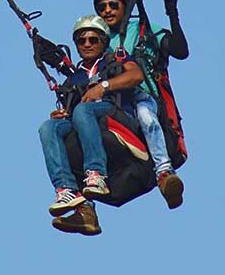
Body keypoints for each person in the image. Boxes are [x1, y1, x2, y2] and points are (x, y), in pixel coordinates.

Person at [38, 15, 145, 235]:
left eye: (93, 39)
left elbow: (136, 75)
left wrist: (103, 86)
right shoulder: (74, 79)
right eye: (82, 40)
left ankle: (96, 173)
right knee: (48, 127)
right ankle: (67, 188)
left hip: (115, 114)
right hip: (84, 118)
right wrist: (62, 114)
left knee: (83, 110)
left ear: (104, 42)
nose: (87, 44)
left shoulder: (116, 60)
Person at [93, 0, 190, 209]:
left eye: (113, 5)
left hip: (141, 95)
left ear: (125, 6)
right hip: (113, 102)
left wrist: (172, 12)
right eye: (102, 7)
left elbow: (180, 51)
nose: (107, 11)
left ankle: (164, 172)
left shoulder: (142, 29)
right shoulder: (98, 38)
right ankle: (84, 201)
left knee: (146, 117)